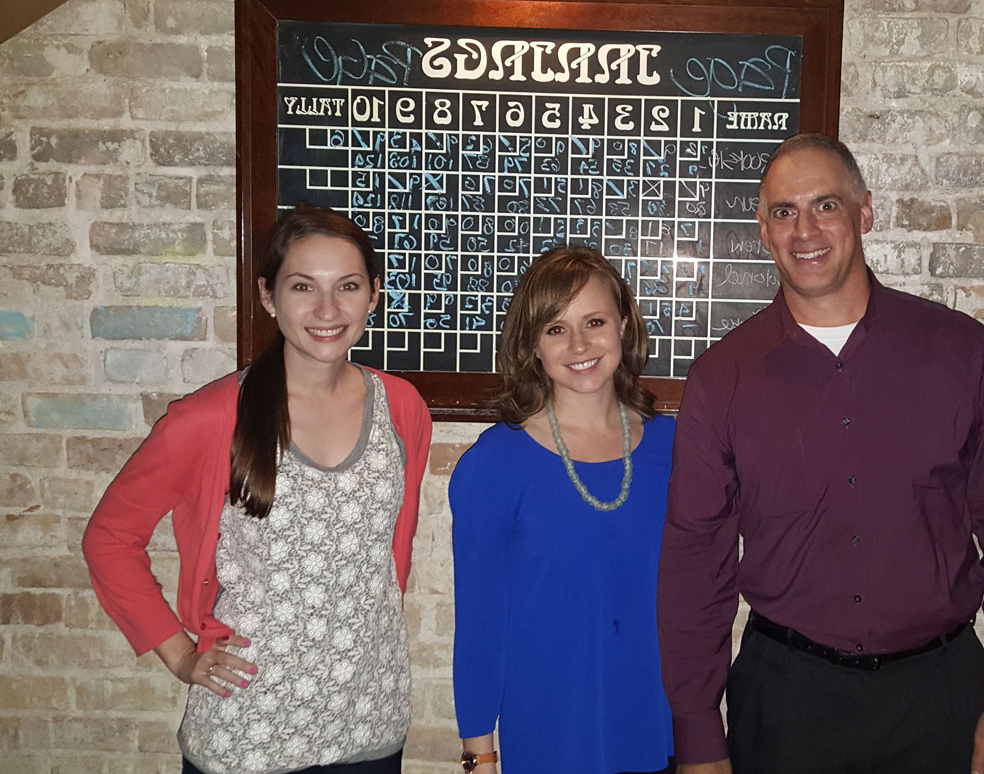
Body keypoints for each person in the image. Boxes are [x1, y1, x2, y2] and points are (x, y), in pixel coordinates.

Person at [657, 133, 984, 774]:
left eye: (826, 205)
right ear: (762, 228)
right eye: (784, 211)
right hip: (786, 701)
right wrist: (698, 733)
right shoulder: (721, 377)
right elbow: (697, 564)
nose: (804, 229)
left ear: (864, 212)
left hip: (941, 697)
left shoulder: (960, 352)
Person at [82, 204, 434, 774]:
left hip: (370, 719)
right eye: (303, 287)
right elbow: (110, 537)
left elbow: (388, 556)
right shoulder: (208, 419)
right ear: (269, 297)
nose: (327, 309)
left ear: (373, 297)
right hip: (248, 729)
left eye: (348, 286)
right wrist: (177, 653)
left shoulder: (403, 409)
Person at [448, 246, 676, 774]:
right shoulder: (495, 464)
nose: (579, 344)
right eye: (555, 328)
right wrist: (478, 757)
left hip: (658, 732)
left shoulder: (675, 448)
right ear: (533, 345)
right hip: (550, 738)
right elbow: (482, 623)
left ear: (623, 324)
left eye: (594, 321)